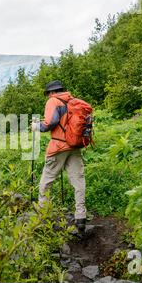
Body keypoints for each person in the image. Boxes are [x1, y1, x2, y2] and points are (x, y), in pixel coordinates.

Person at [32, 80, 87, 235]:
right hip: (74, 146)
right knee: (78, 181)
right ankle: (81, 217)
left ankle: (43, 219)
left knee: (46, 182)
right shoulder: (73, 101)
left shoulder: (53, 101)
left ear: (51, 92)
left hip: (58, 147)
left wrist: (37, 126)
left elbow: (51, 122)